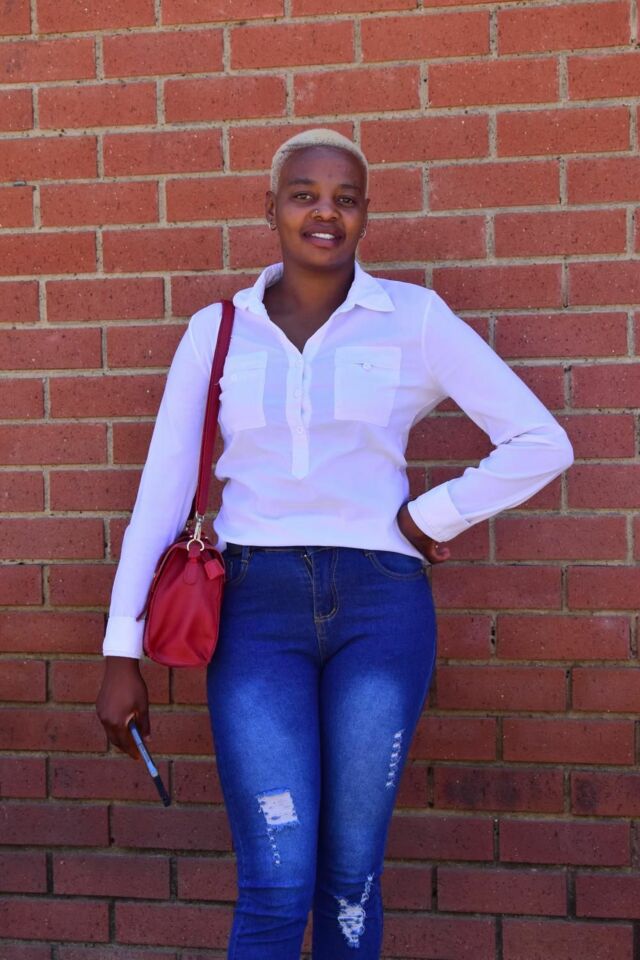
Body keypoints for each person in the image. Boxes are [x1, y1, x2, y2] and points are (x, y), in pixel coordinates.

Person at [96, 128, 574, 959]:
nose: (325, 212)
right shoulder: (218, 330)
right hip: (254, 609)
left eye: (345, 198)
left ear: (365, 214)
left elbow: (542, 441)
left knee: (351, 880)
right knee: (276, 881)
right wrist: (119, 652)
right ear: (270, 209)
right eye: (304, 195)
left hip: (381, 609)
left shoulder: (412, 319)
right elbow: (161, 499)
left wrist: (431, 518)